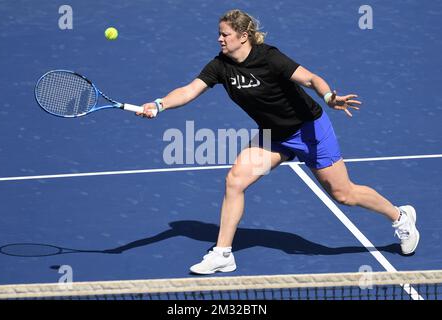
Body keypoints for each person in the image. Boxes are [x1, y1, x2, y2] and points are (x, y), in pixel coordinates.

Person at [137, 9, 420, 274]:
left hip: (309, 130)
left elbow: (309, 78)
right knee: (235, 180)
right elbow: (189, 90)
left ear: (243, 37)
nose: (219, 38)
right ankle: (223, 253)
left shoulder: (269, 57)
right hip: (273, 135)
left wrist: (329, 97)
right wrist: (160, 104)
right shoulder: (219, 66)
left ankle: (400, 216)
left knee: (344, 194)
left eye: (225, 34)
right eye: (219, 34)